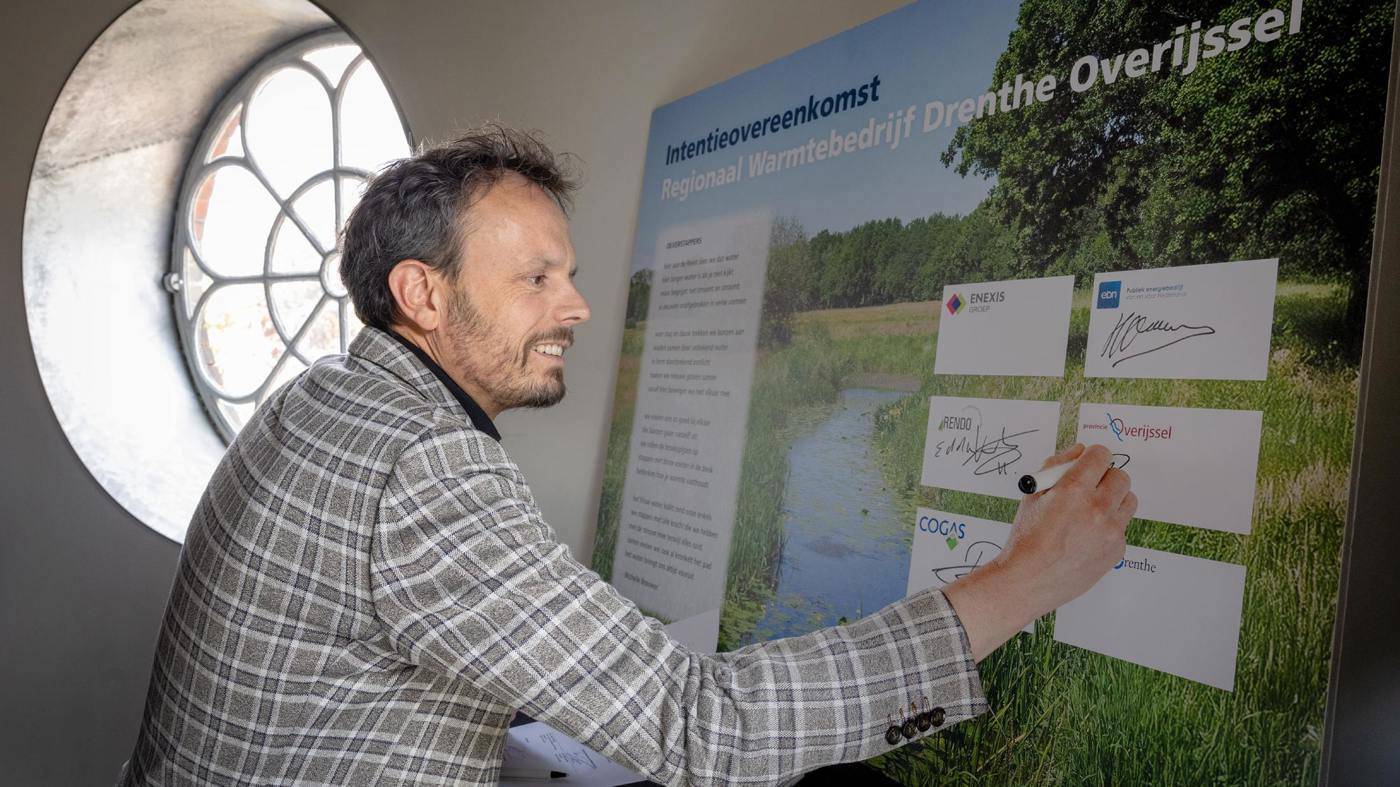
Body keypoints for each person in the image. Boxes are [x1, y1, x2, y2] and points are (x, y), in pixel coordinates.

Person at [117, 125, 1135, 786]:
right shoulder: (424, 465)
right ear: (422, 294)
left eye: (568, 273)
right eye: (535, 279)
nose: (578, 307)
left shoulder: (318, 398)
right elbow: (702, 724)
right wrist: (1023, 580)